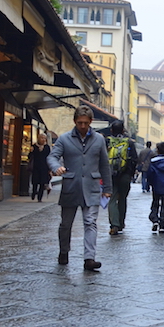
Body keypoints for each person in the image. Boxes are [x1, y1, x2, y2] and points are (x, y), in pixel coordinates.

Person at [47, 105, 111, 271]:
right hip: (71, 186)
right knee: (66, 224)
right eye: (79, 122)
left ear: (90, 122)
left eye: (85, 123)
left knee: (90, 223)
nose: (82, 126)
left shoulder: (99, 140)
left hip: (92, 186)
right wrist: (56, 168)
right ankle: (63, 251)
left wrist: (108, 188)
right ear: (75, 121)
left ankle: (89, 258)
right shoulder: (64, 139)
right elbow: (53, 157)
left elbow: (104, 164)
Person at [105, 120, 138, 235]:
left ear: (111, 130)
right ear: (123, 130)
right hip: (125, 174)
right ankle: (121, 223)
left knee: (112, 199)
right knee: (122, 199)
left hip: (110, 175)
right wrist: (131, 173)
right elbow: (134, 159)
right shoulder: (129, 142)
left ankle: (114, 224)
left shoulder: (107, 141)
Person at [147, 142, 164, 233]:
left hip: (156, 185)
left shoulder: (153, 161)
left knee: (155, 203)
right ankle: (162, 224)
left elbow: (150, 174)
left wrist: (150, 183)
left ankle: (154, 219)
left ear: (157, 150)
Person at [28, 132, 51, 202]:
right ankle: (33, 193)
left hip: (44, 167)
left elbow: (49, 157)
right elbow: (29, 157)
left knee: (42, 183)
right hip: (36, 167)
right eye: (42, 138)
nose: (43, 139)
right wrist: (31, 151)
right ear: (38, 138)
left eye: (44, 138)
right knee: (35, 182)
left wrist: (50, 169)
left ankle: (39, 197)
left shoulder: (47, 147)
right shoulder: (34, 146)